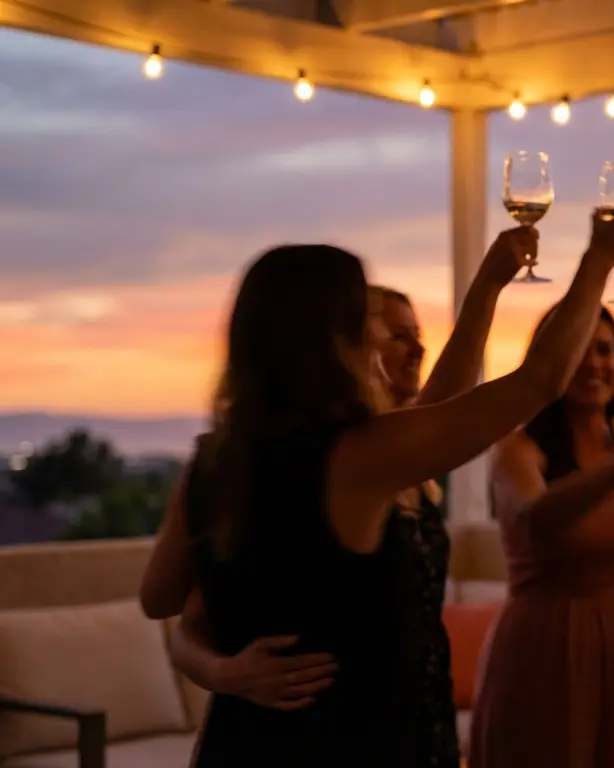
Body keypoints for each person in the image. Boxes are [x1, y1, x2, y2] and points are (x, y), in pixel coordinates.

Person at [138, 195, 614, 767]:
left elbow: (160, 597)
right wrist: (598, 261)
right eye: (365, 322)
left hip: (242, 746)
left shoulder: (215, 461)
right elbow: (538, 382)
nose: (374, 337)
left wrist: (222, 670)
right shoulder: (358, 457)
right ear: (331, 342)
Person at [158, 229, 531, 768]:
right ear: (337, 339)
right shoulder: (348, 459)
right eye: (383, 328)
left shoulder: (352, 453)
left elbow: (446, 395)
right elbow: (173, 606)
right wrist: (221, 671)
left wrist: (489, 287)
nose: (400, 344)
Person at [468, 305, 614, 768]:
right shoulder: (518, 451)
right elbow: (533, 519)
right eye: (578, 351)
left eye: (604, 350)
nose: (593, 363)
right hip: (543, 654)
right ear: (551, 361)